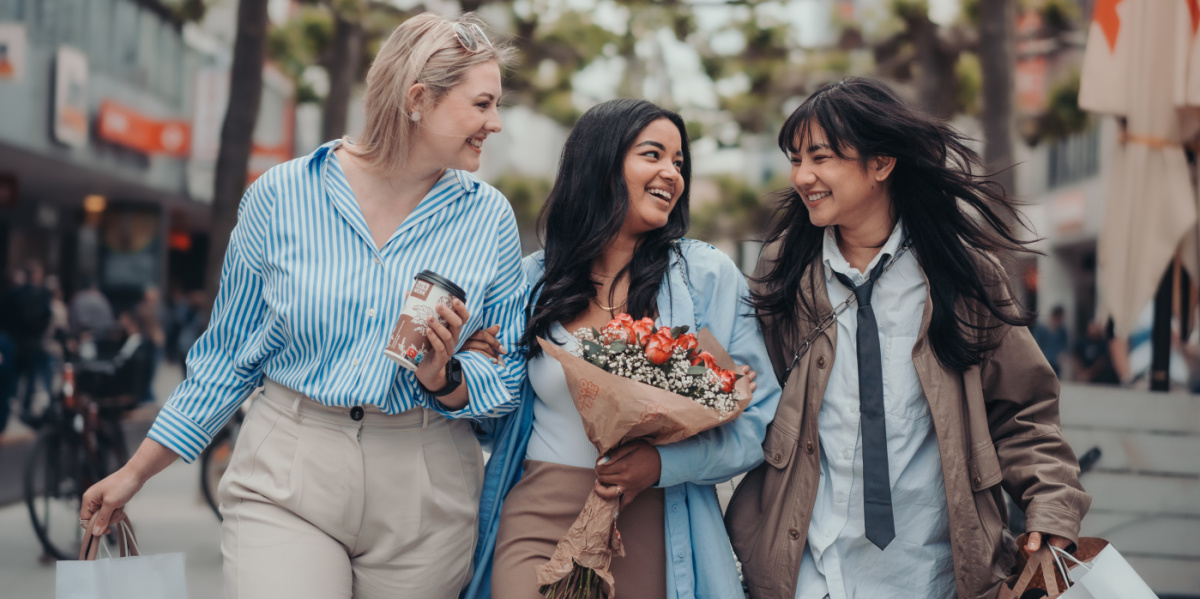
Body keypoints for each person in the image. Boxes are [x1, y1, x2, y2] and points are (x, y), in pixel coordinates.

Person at [81, 13, 526, 599]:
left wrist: (445, 378)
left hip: (427, 484)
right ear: (418, 99)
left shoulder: (488, 218)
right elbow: (227, 357)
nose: (495, 123)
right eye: (482, 104)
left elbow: (507, 372)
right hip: (289, 470)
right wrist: (135, 473)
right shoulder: (281, 195)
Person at [726, 78, 1091, 599]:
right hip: (809, 570)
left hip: (934, 572)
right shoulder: (784, 270)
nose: (802, 176)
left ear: (881, 163)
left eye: (822, 157)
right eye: (796, 159)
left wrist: (1051, 505)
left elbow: (1024, 411)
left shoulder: (962, 274)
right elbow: (756, 397)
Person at [462, 98, 782, 599]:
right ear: (601, 163)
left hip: (651, 523)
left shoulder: (705, 277)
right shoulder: (531, 281)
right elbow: (490, 421)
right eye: (653, 155)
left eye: (679, 163)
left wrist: (660, 465)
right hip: (536, 517)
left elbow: (755, 421)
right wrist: (462, 375)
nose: (671, 174)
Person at [1033, 305, 1069, 377]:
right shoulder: (1041, 328)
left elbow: (1064, 345)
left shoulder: (1062, 330)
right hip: (1043, 360)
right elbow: (1036, 343)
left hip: (1055, 362)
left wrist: (1062, 355)